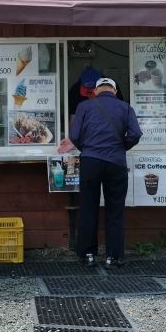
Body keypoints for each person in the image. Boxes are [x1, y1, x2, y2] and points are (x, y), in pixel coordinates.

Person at [69, 77, 142, 268]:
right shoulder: (126, 108)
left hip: (90, 162)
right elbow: (135, 134)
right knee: (115, 209)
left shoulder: (84, 106)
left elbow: (74, 135)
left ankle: (88, 255)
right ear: (115, 91)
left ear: (95, 91)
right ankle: (113, 257)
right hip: (116, 162)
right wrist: (121, 147)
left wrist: (88, 149)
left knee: (88, 207)